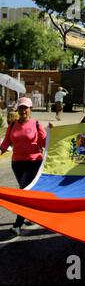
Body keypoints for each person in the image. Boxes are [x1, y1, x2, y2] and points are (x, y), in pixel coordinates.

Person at [0, 97, 47, 236]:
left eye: (26, 108)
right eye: (21, 107)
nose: (23, 110)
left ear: (30, 109)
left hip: (34, 162)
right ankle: (32, 213)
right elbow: (5, 143)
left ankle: (17, 224)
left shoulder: (36, 124)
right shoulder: (13, 125)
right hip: (17, 163)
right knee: (28, 191)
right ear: (18, 109)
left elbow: (44, 143)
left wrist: (51, 133)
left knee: (23, 192)